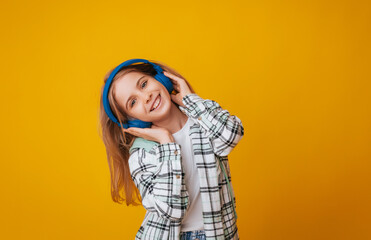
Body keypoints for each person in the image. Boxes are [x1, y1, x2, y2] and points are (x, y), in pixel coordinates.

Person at [98, 59, 245, 240]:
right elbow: (171, 210)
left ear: (161, 77)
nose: (146, 97)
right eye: (133, 102)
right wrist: (167, 144)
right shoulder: (142, 154)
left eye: (144, 84)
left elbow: (231, 135)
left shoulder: (202, 119)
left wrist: (190, 100)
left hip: (221, 233)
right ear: (132, 121)